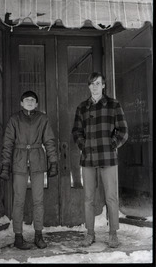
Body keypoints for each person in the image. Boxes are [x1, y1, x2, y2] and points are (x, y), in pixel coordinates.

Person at [72, 72, 128, 248]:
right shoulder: (82, 108)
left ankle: (113, 234)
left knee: (111, 197)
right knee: (88, 198)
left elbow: (123, 131)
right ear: (88, 86)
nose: (94, 86)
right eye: (91, 84)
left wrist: (112, 145)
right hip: (88, 157)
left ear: (103, 85)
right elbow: (76, 132)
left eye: (98, 83)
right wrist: (83, 145)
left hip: (108, 156)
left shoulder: (113, 105)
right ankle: (90, 233)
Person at [0, 90, 58, 250]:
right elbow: (8, 143)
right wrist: (6, 164)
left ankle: (38, 235)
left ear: (37, 104)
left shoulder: (42, 119)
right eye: (27, 99)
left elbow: (49, 141)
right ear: (21, 102)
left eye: (33, 99)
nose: (30, 101)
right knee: (18, 200)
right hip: (19, 161)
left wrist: (53, 161)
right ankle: (18, 236)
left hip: (37, 160)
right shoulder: (14, 119)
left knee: (38, 200)